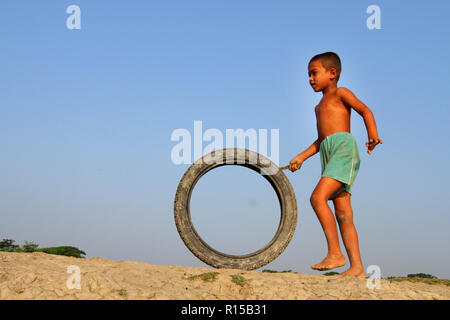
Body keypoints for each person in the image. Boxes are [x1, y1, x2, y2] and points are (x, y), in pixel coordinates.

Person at [289, 52, 382, 277]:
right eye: (308, 75)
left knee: (317, 198)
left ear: (332, 73)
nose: (310, 79)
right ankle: (357, 267)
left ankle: (335, 253)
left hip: (343, 151)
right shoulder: (318, 108)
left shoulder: (341, 93)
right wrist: (301, 157)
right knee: (343, 213)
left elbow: (364, 110)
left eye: (314, 73)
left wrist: (373, 134)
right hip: (329, 153)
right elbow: (321, 141)